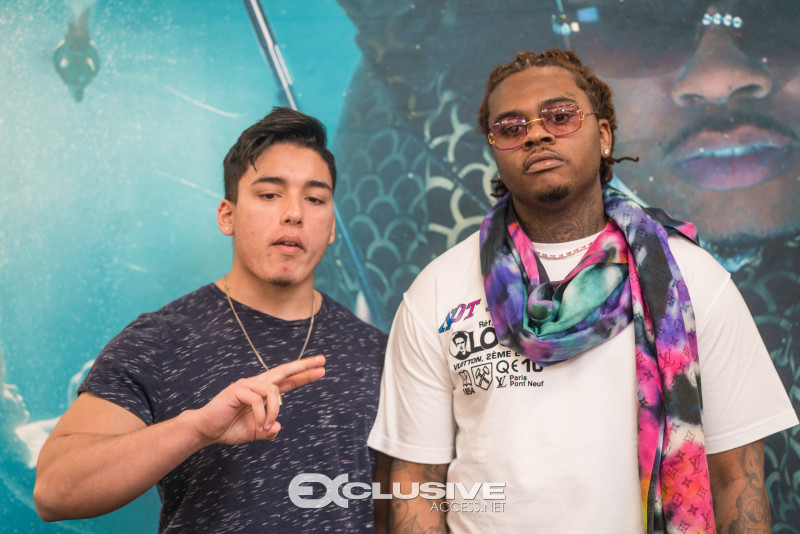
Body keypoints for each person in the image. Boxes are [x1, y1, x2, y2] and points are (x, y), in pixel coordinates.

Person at [367, 49, 798, 533]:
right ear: (495, 152)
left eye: (560, 116)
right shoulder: (437, 289)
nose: (536, 134)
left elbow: (738, 478)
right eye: (511, 127)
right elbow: (417, 478)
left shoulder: (691, 279)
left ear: (604, 135)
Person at [33, 107, 388, 533]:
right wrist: (196, 429)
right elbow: (54, 490)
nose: (294, 213)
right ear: (227, 215)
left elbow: (410, 498)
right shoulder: (160, 340)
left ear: (331, 227)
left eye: (315, 199)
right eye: (270, 194)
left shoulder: (380, 351)